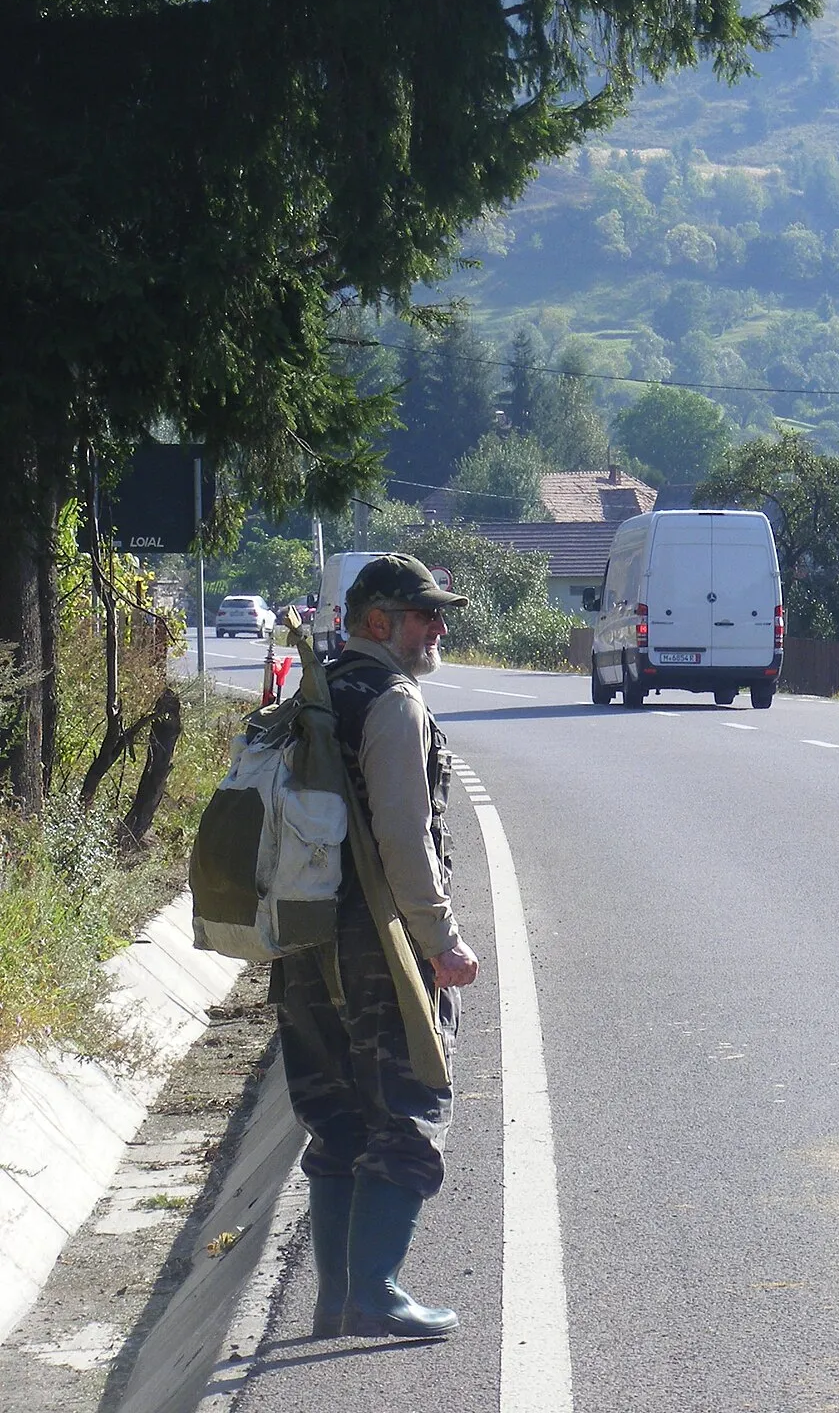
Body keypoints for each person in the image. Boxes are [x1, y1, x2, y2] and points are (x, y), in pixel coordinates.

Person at [270, 553, 482, 1338]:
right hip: (377, 946)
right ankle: (375, 1293)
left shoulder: (317, 693)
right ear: (378, 623)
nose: (439, 628)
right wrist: (443, 944)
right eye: (425, 615)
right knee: (411, 1108)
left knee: (337, 1116)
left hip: (304, 941)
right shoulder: (393, 702)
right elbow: (405, 842)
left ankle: (336, 1298)